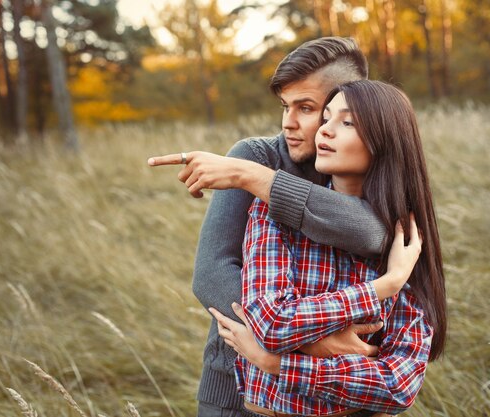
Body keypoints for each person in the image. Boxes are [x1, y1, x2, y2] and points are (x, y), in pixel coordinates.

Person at [148, 38, 392, 416]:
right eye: (285, 106)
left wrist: (257, 180)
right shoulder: (258, 155)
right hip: (237, 389)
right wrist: (311, 342)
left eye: (306, 108)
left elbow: (373, 233)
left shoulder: (373, 168)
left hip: (344, 390)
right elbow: (212, 274)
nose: (287, 122)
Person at [209, 80, 446, 416]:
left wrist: (278, 365)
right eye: (326, 119)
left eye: (346, 122)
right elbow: (272, 322)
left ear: (385, 140)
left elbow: (398, 384)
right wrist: (383, 287)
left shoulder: (405, 238)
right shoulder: (274, 211)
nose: (325, 132)